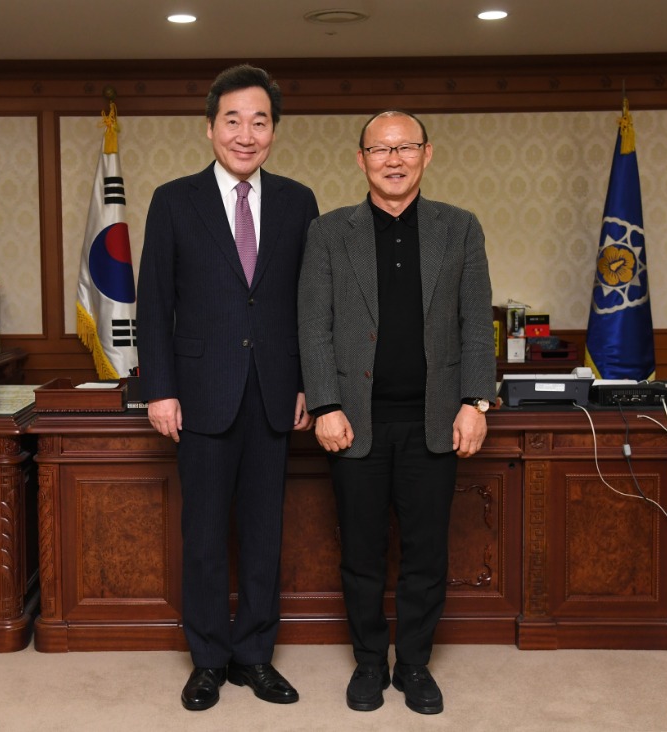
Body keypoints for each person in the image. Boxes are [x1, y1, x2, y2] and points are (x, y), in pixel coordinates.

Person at [297, 110, 495, 715]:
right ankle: (367, 664)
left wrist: (475, 401)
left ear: (426, 155)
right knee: (360, 553)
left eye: (405, 147)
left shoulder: (459, 228)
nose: (393, 158)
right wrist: (326, 402)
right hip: (355, 420)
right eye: (380, 149)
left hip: (434, 420)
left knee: (426, 554)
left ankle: (413, 666)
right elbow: (315, 326)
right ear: (361, 160)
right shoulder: (329, 232)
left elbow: (474, 323)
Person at [137, 64, 319, 712]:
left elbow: (308, 303)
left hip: (275, 392)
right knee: (206, 536)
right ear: (210, 127)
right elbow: (153, 304)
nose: (247, 133)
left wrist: (309, 386)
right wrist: (159, 388)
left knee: (266, 534)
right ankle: (209, 660)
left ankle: (255, 656)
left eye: (260, 120)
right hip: (200, 393)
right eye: (233, 120)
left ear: (275, 130)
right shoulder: (173, 200)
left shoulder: (299, 202)